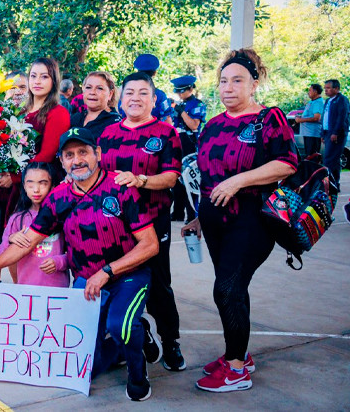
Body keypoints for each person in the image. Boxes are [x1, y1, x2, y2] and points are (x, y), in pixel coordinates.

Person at [0, 127, 159, 402]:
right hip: (85, 280)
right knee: (83, 368)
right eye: (69, 155)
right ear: (62, 162)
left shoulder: (120, 187)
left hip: (127, 275)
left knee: (120, 325)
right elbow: (27, 241)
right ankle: (128, 340)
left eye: (83, 152)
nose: (77, 160)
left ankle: (138, 374)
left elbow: (150, 245)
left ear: (97, 154)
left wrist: (107, 271)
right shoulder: (59, 197)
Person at [182, 48, 297, 393]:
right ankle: (239, 354)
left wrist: (238, 181)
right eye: (223, 81)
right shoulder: (214, 125)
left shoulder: (268, 119)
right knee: (233, 290)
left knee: (227, 288)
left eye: (238, 81)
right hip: (215, 222)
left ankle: (235, 371)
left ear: (254, 83)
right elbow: (207, 177)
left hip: (251, 220)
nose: (228, 88)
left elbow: (287, 163)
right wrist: (197, 218)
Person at [98, 72, 185, 372]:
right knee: (115, 280)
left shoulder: (165, 132)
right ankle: (141, 333)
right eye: (129, 92)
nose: (135, 98)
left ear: (153, 99)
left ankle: (171, 341)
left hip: (152, 221)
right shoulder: (107, 135)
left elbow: (171, 177)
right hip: (114, 225)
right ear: (120, 99)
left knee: (159, 285)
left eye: (142, 93)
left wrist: (141, 181)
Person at [0, 162, 69, 287]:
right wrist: (10, 240)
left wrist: (60, 262)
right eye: (30, 184)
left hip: (57, 293)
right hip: (27, 291)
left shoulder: (62, 215)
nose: (36, 189)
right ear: (23, 186)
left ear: (52, 186)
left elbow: (76, 255)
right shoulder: (16, 219)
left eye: (42, 183)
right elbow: (0, 256)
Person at [0, 70, 28, 283]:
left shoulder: (32, 117)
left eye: (22, 87)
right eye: (13, 87)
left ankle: (21, 284)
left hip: (25, 190)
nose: (18, 91)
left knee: (20, 238)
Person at [23, 57, 71, 183]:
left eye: (44, 77)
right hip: (8, 183)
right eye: (33, 76)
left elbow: (46, 156)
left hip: (39, 181)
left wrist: (14, 177)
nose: (37, 81)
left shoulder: (58, 113)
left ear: (53, 81)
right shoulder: (20, 111)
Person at [169, 75, 207, 222]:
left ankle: (192, 214)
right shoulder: (179, 104)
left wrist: (182, 112)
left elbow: (194, 125)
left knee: (190, 180)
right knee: (176, 180)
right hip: (177, 144)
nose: (179, 94)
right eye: (177, 91)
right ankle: (178, 212)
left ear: (191, 89)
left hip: (190, 146)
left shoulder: (197, 104)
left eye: (182, 91)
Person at [120, 54, 174, 123]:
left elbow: (120, 113)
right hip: (153, 132)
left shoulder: (126, 94)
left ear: (138, 71)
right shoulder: (160, 95)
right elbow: (167, 119)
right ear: (154, 73)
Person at [69, 71, 121, 139]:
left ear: (110, 94)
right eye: (88, 87)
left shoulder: (116, 124)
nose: (92, 92)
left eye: (99, 88)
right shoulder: (75, 118)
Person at [321, 79, 349, 189]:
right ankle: (334, 184)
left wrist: (335, 132)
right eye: (325, 88)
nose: (326, 90)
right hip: (328, 133)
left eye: (328, 88)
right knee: (334, 160)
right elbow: (324, 118)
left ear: (336, 89)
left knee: (329, 159)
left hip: (337, 134)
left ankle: (329, 184)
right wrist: (323, 134)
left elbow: (342, 118)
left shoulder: (342, 100)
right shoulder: (328, 101)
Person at [295, 83, 324, 157]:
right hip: (308, 133)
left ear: (315, 92)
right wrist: (300, 117)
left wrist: (301, 120)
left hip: (313, 134)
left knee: (312, 156)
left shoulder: (318, 102)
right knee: (308, 156)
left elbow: (317, 118)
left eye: (310, 90)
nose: (308, 92)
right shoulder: (312, 102)